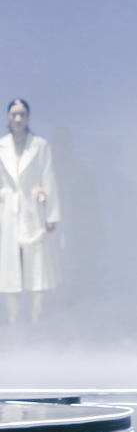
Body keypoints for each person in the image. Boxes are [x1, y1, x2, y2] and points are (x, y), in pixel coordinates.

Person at [0, 100, 61, 323]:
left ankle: (36, 322)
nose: (18, 119)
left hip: (33, 212)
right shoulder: (1, 146)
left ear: (28, 117)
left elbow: (48, 178)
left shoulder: (40, 146)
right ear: (8, 116)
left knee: (37, 270)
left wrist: (52, 215)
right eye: (14, 114)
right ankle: (12, 322)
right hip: (7, 213)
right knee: (9, 270)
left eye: (22, 114)